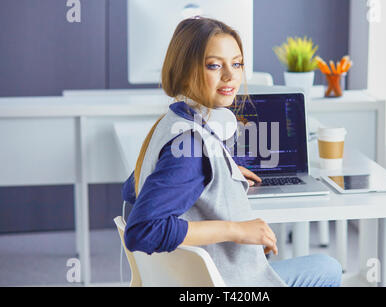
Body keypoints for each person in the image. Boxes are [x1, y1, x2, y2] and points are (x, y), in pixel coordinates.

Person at [122, 17, 342, 287]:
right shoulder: (191, 148)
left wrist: (218, 172)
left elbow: (133, 187)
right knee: (328, 267)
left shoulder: (171, 123)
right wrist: (236, 230)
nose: (230, 76)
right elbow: (143, 231)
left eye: (236, 64)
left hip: (196, 280)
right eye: (214, 65)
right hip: (229, 283)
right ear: (184, 71)